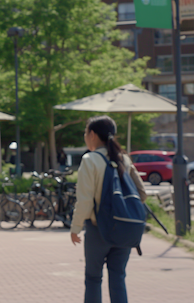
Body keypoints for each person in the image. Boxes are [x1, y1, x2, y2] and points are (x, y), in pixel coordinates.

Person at [70, 115, 147, 303]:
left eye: (86, 133)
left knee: (93, 279)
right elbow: (142, 193)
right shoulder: (124, 159)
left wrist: (75, 228)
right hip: (124, 228)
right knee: (118, 277)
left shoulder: (90, 160)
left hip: (99, 230)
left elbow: (86, 202)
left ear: (93, 135)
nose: (85, 137)